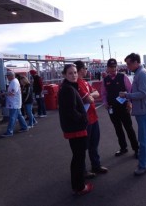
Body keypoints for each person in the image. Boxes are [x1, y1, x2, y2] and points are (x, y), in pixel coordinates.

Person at [119, 53, 146, 176]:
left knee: (143, 138)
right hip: (144, 109)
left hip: (143, 110)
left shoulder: (141, 74)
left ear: (136, 62)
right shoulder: (141, 73)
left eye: (129, 63)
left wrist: (127, 95)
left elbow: (143, 93)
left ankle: (143, 165)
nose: (128, 66)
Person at [58, 64, 93, 195]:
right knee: (79, 158)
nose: (74, 75)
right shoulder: (68, 89)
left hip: (73, 128)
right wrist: (83, 119)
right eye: (70, 73)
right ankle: (79, 186)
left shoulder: (68, 87)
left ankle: (77, 184)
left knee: (77, 157)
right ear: (64, 75)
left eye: (74, 72)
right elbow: (70, 112)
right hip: (76, 129)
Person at [74, 61, 108, 177]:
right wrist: (90, 96)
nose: (86, 70)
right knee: (83, 146)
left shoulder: (84, 82)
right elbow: (88, 99)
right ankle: (83, 171)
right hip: (85, 120)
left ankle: (96, 165)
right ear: (80, 70)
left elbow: (96, 93)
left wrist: (90, 95)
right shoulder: (77, 83)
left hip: (93, 117)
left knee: (94, 144)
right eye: (85, 68)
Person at [101, 58, 139, 158]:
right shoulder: (105, 80)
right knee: (118, 129)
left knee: (129, 128)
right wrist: (105, 103)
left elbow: (130, 90)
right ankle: (123, 148)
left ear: (116, 67)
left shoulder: (123, 77)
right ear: (107, 68)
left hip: (123, 107)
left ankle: (136, 149)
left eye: (114, 67)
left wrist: (130, 103)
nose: (113, 69)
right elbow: (104, 94)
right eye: (110, 67)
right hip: (112, 108)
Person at [1, 71, 29, 137]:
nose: (7, 77)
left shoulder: (14, 82)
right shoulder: (14, 82)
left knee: (12, 117)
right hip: (15, 102)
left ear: (11, 76)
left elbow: (12, 93)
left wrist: (4, 93)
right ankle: (25, 127)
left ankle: (9, 131)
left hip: (14, 103)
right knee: (19, 115)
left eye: (7, 76)